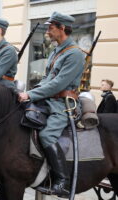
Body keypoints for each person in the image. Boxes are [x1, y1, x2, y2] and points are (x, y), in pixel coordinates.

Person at [19, 12, 85, 196]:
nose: (48, 30)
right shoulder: (57, 50)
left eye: (51, 27)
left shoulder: (75, 55)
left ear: (62, 28)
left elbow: (58, 84)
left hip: (64, 104)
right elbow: (48, 79)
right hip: (49, 100)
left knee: (47, 135)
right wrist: (31, 94)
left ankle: (62, 181)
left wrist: (30, 94)